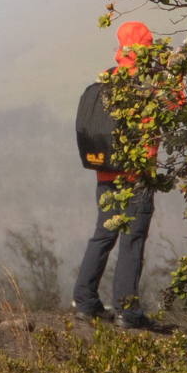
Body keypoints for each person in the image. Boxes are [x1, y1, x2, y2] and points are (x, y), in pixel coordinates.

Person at [73, 20, 161, 328]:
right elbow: (177, 107)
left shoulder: (107, 79)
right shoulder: (152, 82)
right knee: (132, 240)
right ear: (147, 47)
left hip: (105, 174)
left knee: (103, 234)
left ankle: (84, 301)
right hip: (138, 176)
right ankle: (128, 312)